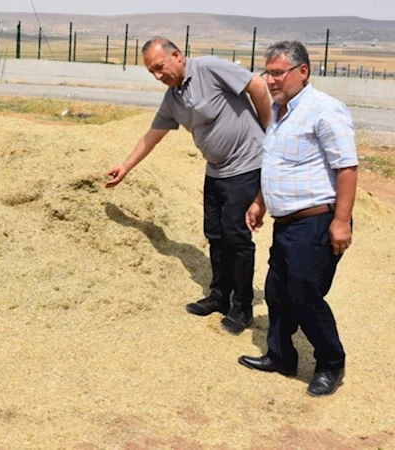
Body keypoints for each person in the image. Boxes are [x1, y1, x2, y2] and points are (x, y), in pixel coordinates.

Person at [106, 37, 271, 334]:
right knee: (215, 235)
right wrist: (125, 167)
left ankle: (242, 306)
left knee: (237, 237)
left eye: (160, 67)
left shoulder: (210, 68)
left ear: (178, 56)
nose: (158, 76)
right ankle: (219, 296)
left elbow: (257, 86)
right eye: (152, 72)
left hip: (246, 165)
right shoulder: (173, 98)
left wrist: (268, 131)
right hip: (216, 172)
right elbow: (152, 136)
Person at [238, 41, 357, 396]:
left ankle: (331, 363)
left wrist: (341, 221)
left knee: (305, 293)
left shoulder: (324, 110)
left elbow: (347, 168)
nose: (270, 80)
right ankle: (281, 356)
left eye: (278, 73)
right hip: (286, 223)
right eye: (267, 73)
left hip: (316, 222)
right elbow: (277, 164)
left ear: (302, 71)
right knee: (276, 291)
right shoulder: (279, 112)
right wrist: (260, 203)